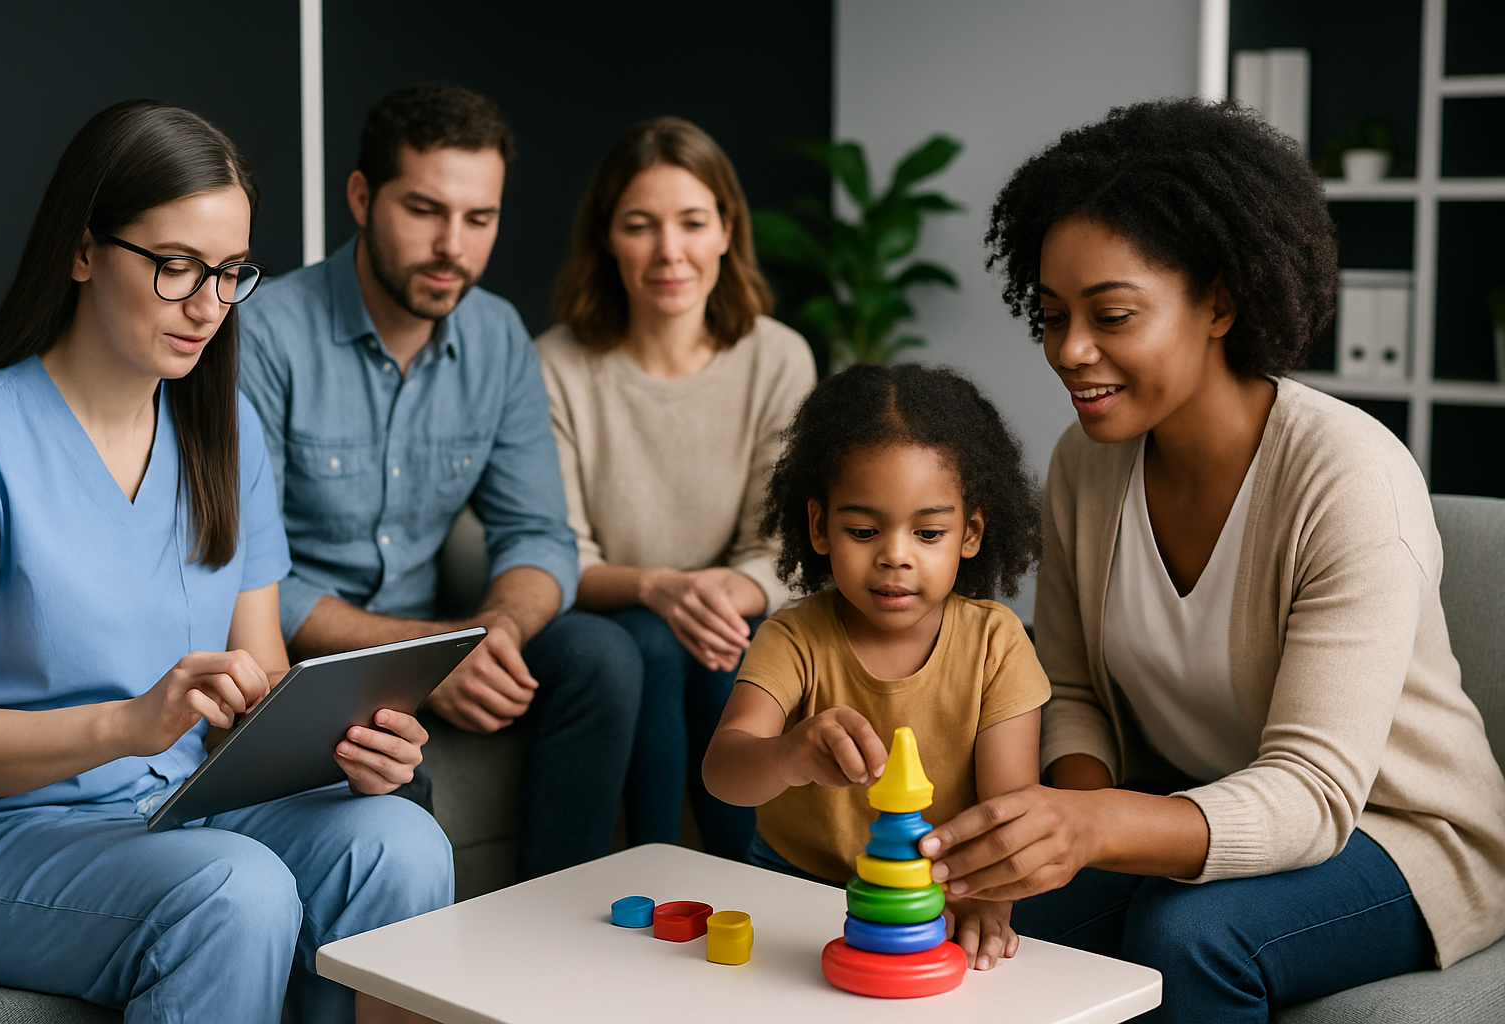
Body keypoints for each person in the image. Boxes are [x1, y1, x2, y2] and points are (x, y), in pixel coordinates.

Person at [915, 98, 1505, 1020]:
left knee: (1188, 934)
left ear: (1221, 302)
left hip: (1397, 835)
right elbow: (1068, 688)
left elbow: (1313, 794)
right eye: (1053, 313)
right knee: (982, 905)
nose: (1070, 351)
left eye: (1111, 314)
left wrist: (1100, 826)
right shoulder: (1086, 463)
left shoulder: (1350, 480)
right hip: (1197, 798)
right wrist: (1061, 824)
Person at [0, 100, 450, 1024]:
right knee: (236, 889)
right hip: (11, 832)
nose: (207, 306)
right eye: (176, 267)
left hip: (182, 807)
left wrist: (344, 744)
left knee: (399, 840)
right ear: (82, 251)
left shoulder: (222, 435)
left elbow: (260, 679)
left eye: (230, 273)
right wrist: (126, 725)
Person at [237, 84, 641, 879]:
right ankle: (414, 976)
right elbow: (243, 572)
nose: (452, 245)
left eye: (479, 219)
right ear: (361, 197)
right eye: (424, 210)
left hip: (436, 626)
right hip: (304, 651)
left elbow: (539, 536)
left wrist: (496, 630)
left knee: (605, 656)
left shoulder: (496, 338)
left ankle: (556, 931)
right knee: (382, 753)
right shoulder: (265, 336)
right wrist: (425, 655)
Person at [702, 362, 1050, 971]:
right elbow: (723, 772)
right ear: (819, 527)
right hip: (792, 885)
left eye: (928, 532)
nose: (895, 556)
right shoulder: (794, 637)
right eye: (863, 530)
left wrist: (989, 905)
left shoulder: (996, 644)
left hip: (938, 895)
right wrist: (788, 756)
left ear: (969, 533)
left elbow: (1009, 815)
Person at [538, 117, 816, 860]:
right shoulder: (555, 365)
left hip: (730, 612)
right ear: (606, 236)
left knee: (726, 649)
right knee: (654, 648)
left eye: (693, 222)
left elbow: (781, 546)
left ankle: (746, 886)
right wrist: (659, 587)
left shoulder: (778, 357)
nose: (670, 252)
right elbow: (559, 550)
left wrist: (718, 598)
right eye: (640, 225)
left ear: (727, 229)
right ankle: (650, 880)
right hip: (617, 612)